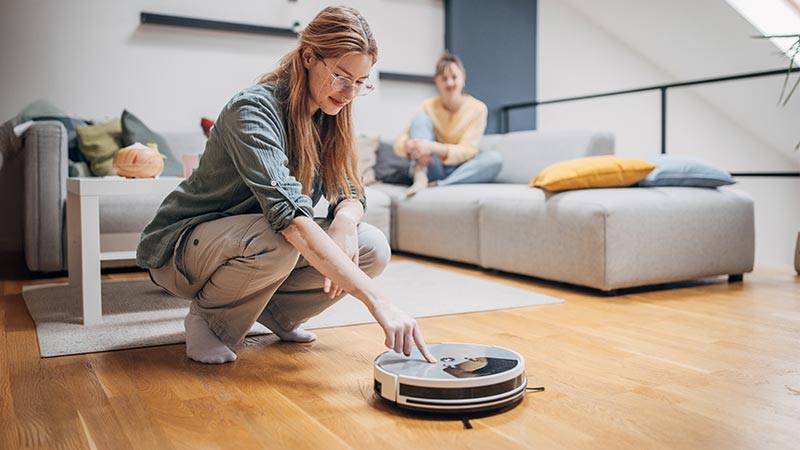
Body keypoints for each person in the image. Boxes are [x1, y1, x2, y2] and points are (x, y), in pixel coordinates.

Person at [137, 6, 435, 365]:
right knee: (280, 237)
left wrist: (344, 221)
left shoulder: (329, 115)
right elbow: (290, 220)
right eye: (342, 77)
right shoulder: (252, 110)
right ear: (308, 57)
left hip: (253, 242)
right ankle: (208, 322)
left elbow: (350, 189)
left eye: (361, 82)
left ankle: (277, 313)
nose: (350, 93)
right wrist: (379, 300)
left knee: (371, 246)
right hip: (182, 249)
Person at [393, 51, 502, 197]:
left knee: (494, 159)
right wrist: (411, 146)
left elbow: (468, 151)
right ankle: (420, 175)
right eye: (444, 78)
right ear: (436, 81)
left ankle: (441, 185)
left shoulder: (478, 109)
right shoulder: (428, 105)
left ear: (463, 77)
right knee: (420, 119)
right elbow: (399, 143)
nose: (450, 83)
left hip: (461, 168)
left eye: (454, 77)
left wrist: (432, 147)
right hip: (431, 164)